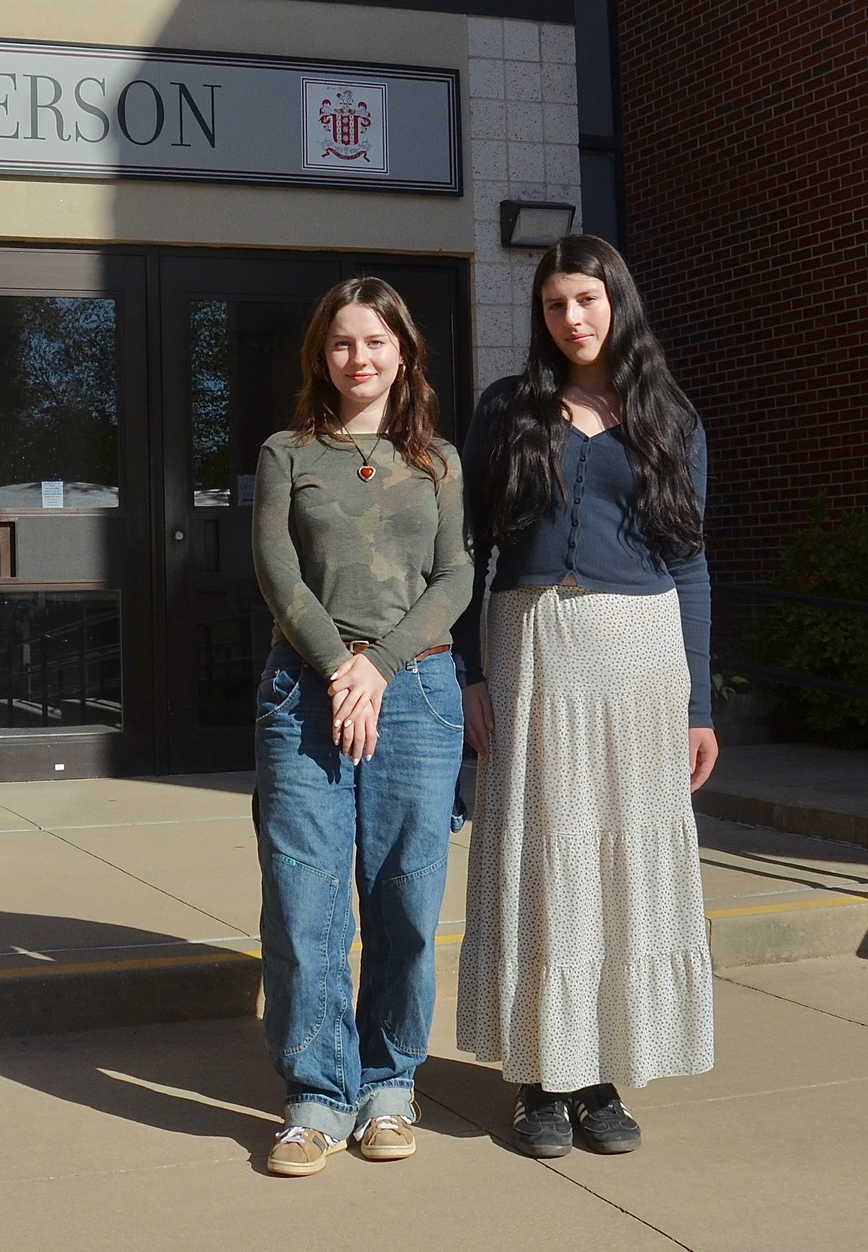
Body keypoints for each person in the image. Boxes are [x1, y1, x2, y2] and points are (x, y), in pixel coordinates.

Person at [452, 234, 718, 1159]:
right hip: (532, 651)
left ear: (619, 306)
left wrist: (699, 705)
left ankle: (601, 1074)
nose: (573, 318)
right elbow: (468, 555)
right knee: (543, 859)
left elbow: (690, 564)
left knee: (619, 868)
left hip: (642, 659)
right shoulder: (508, 409)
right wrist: (469, 672)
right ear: (542, 313)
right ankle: (537, 1076)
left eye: (589, 301)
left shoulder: (668, 415)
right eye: (557, 303)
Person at [251, 276, 472, 1176]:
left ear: (405, 352)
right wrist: (339, 665)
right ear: (322, 356)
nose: (359, 358)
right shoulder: (287, 451)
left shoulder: (440, 463)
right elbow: (274, 565)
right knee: (305, 902)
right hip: (303, 697)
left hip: (415, 696)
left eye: (376, 342)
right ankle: (314, 1094)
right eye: (342, 344)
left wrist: (376, 667)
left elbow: (457, 577)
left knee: (405, 902)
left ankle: (387, 1088)